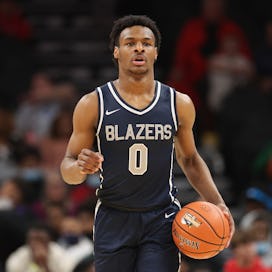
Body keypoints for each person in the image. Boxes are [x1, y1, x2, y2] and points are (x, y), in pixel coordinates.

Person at [60, 15, 235, 272]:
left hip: (161, 217)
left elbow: (189, 160)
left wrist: (218, 203)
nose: (139, 47)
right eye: (130, 43)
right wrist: (80, 168)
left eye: (146, 43)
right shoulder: (93, 104)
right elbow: (68, 169)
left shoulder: (178, 103)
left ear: (155, 52)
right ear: (117, 52)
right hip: (113, 215)